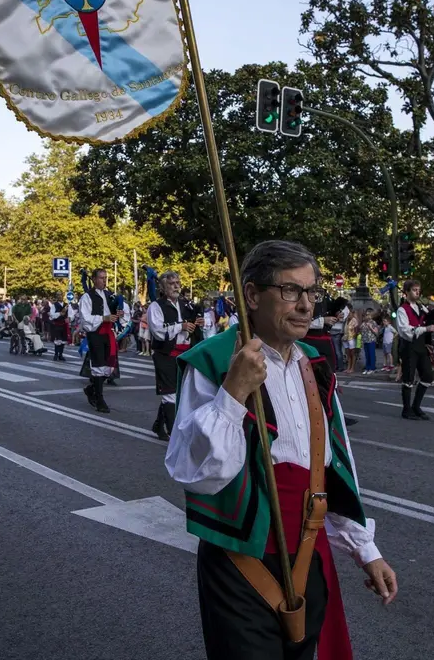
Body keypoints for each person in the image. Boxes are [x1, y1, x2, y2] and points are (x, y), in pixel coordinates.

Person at [165, 240, 397, 659]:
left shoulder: (315, 363)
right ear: (252, 295)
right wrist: (233, 393)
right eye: (291, 291)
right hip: (241, 563)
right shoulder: (214, 361)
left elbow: (333, 465)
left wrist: (367, 551)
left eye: (312, 292)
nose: (307, 305)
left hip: (310, 554)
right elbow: (195, 474)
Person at [147, 271, 196, 441]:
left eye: (177, 282)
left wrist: (197, 325)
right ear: (162, 287)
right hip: (165, 353)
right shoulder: (156, 306)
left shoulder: (185, 305)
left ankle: (159, 425)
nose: (176, 286)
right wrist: (180, 326)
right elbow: (158, 332)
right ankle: (174, 434)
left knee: (178, 393)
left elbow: (191, 324)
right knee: (170, 393)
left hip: (184, 353)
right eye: (171, 283)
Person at [397, 280, 434, 419]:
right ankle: (406, 409)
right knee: (408, 378)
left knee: (428, 375)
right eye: (414, 290)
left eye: (418, 290)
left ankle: (416, 406)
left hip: (421, 345)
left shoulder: (422, 308)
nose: (417, 292)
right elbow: (405, 330)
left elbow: (429, 322)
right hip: (409, 346)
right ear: (407, 292)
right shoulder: (402, 309)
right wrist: (425, 328)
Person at [79, 270, 118, 414]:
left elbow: (112, 311)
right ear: (94, 279)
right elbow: (85, 319)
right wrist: (103, 318)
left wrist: (117, 314)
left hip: (109, 332)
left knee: (109, 366)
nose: (104, 280)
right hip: (96, 333)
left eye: (105, 278)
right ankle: (99, 399)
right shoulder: (87, 297)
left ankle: (92, 389)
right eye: (101, 278)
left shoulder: (109, 295)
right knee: (98, 364)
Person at [48, 292, 69, 361]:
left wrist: (69, 318)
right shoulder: (54, 305)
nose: (59, 296)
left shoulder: (66, 305)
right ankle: (56, 354)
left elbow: (70, 314)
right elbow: (52, 315)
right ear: (56, 297)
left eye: (60, 295)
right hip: (57, 325)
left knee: (63, 340)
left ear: (63, 296)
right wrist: (60, 313)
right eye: (58, 295)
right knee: (58, 340)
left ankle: (61, 355)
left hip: (64, 325)